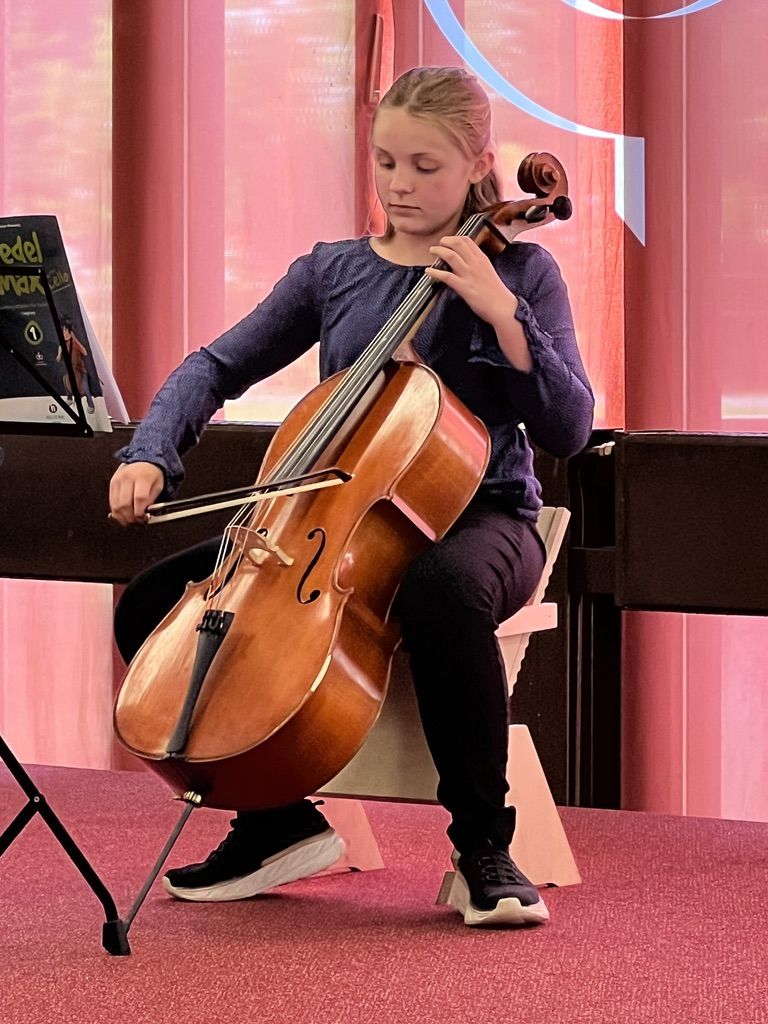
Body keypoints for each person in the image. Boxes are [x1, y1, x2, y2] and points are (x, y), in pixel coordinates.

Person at [109, 66, 594, 928]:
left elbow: (570, 428)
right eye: (385, 162)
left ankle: (484, 847)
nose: (400, 185)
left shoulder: (523, 271)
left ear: (479, 164)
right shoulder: (333, 271)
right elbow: (215, 365)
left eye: (425, 167)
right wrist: (151, 450)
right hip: (334, 520)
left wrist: (502, 312)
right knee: (155, 602)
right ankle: (275, 821)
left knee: (443, 589)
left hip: (482, 516)